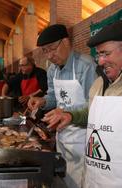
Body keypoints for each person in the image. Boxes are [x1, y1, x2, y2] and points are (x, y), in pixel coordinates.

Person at [44, 19, 122, 187]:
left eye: (106, 54)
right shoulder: (100, 83)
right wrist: (70, 115)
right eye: (99, 54)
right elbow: (93, 113)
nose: (100, 61)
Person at [28, 24, 97, 188]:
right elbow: (54, 96)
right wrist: (43, 101)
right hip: (63, 137)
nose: (50, 55)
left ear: (65, 42)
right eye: (45, 51)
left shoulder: (86, 66)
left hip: (84, 140)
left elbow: (95, 107)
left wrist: (67, 113)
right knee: (64, 181)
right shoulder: (52, 70)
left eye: (52, 48)